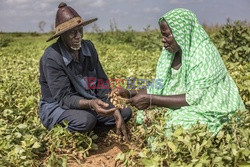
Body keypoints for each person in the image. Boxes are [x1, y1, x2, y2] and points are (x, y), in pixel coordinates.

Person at [117, 8, 245, 135]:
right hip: (183, 103)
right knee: (145, 116)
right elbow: (160, 86)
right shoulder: (170, 53)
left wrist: (151, 100)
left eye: (167, 35)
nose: (163, 39)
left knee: (178, 124)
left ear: (181, 33)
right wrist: (130, 93)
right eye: (162, 35)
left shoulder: (203, 54)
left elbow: (194, 98)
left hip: (213, 107)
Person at [39, 2, 131, 140]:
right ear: (62, 35)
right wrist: (91, 104)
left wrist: (111, 105)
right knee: (85, 120)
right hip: (59, 106)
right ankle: (87, 125)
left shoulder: (88, 47)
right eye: (72, 32)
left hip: (88, 102)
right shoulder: (52, 57)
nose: (78, 36)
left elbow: (101, 83)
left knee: (124, 112)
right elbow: (64, 97)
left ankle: (93, 125)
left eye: (80, 30)